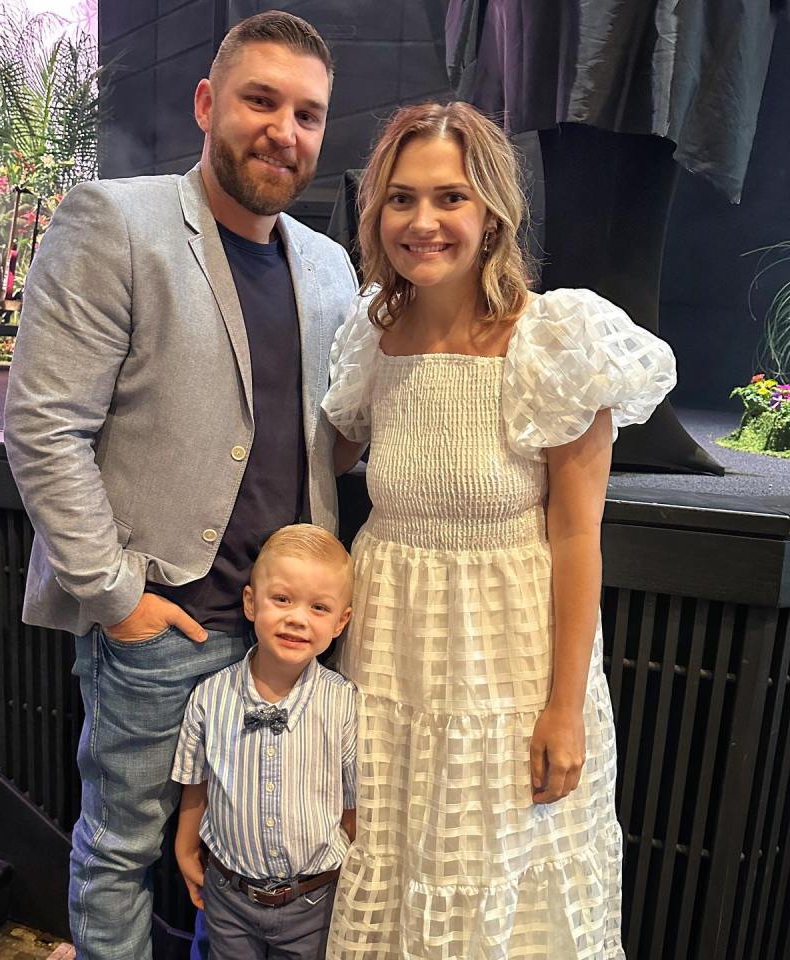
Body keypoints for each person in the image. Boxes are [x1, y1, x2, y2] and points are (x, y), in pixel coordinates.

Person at [3, 12, 358, 959]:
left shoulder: (329, 266)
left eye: (309, 113)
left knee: (258, 857)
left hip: (291, 635)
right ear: (208, 103)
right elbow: (45, 427)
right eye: (261, 100)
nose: (286, 130)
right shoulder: (114, 221)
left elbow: (329, 443)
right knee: (123, 851)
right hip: (167, 623)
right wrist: (119, 598)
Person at [321, 101, 677, 959]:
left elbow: (577, 538)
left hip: (508, 669)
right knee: (391, 869)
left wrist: (564, 708)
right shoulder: (373, 336)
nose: (424, 220)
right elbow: (327, 456)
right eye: (401, 198)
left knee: (503, 891)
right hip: (389, 657)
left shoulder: (555, 339)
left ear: (491, 212)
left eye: (450, 197)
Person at [171, 523, 356, 960]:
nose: (297, 618)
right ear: (251, 603)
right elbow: (197, 782)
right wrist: (184, 845)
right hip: (228, 893)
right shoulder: (211, 696)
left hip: (313, 899)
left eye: (319, 607)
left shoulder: (342, 703)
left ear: (340, 622)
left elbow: (352, 805)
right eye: (283, 599)